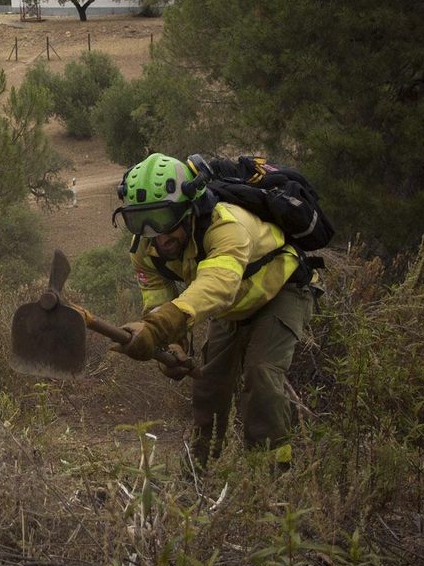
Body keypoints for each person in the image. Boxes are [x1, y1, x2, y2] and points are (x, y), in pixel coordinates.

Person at [110, 152, 316, 470]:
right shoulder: (146, 249)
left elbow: (218, 282)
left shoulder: (226, 225)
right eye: (140, 221)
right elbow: (157, 297)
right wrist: (174, 344)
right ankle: (202, 468)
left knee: (261, 374)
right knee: (209, 385)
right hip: (231, 308)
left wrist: (160, 327)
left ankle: (272, 474)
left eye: (164, 219)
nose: (157, 235)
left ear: (189, 209)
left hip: (281, 291)